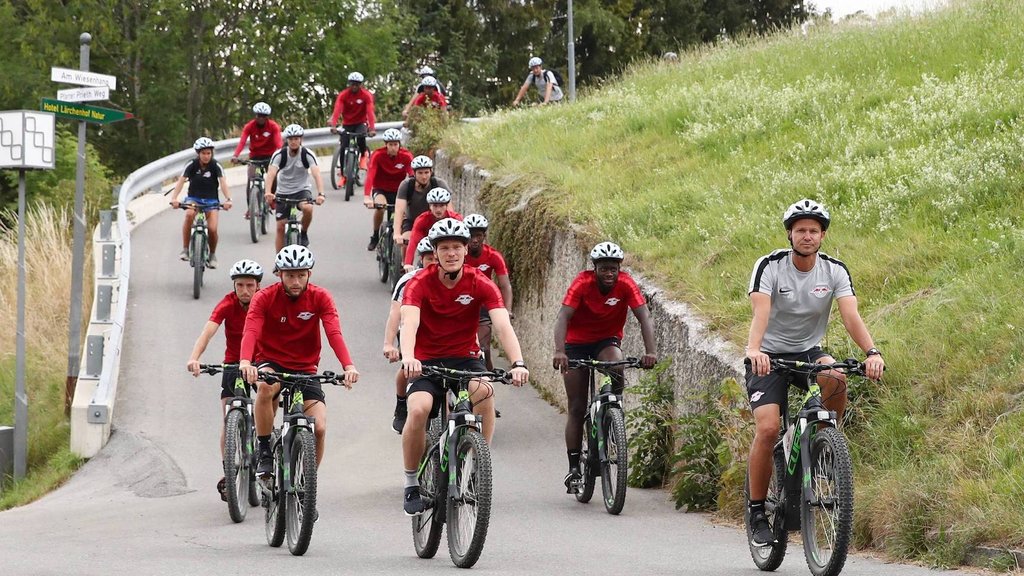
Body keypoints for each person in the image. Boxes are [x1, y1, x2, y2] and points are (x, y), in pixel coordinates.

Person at [744, 199, 884, 547]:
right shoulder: (770, 266)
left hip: (808, 351)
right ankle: (757, 509)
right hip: (770, 355)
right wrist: (754, 350)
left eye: (814, 230)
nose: (807, 236)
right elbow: (760, 311)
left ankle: (825, 449)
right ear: (790, 234)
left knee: (836, 376)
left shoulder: (834, 270)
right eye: (801, 230)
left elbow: (851, 316)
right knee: (767, 428)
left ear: (823, 236)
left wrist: (872, 352)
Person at [399, 218, 530, 515]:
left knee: (484, 392)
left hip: (464, 356)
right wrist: (409, 356)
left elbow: (501, 325)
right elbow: (409, 322)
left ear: (465, 250)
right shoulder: (419, 283)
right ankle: (410, 482)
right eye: (444, 248)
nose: (451, 253)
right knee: (419, 409)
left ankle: (476, 461)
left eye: (457, 247)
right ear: (435, 251)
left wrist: (518, 362)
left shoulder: (480, 282)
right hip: (426, 360)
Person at [239, 245, 360, 477]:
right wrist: (246, 361)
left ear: (309, 275)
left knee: (320, 427)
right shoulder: (264, 297)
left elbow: (334, 333)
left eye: (301, 275)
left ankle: (307, 483)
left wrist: (348, 366)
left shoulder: (321, 297)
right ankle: (264, 450)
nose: (296, 281)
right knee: (265, 388)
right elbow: (251, 330)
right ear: (279, 275)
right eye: (290, 275)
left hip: (305, 369)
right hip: (271, 362)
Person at [552, 241, 657, 492]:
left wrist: (650, 352)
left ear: (620, 268)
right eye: (604, 269)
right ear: (594, 268)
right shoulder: (582, 283)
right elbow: (563, 317)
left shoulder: (626, 284)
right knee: (577, 407)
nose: (609, 273)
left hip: (606, 341)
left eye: (614, 269)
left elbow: (644, 317)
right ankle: (574, 468)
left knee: (616, 364)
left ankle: (611, 413)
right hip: (575, 344)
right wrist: (560, 351)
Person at [185, 259, 264, 500]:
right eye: (239, 285)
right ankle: (229, 471)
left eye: (250, 285)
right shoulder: (228, 303)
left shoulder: (266, 302)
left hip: (261, 362)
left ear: (258, 285)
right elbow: (208, 331)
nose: (245, 291)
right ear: (234, 285)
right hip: (233, 363)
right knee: (229, 415)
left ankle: (266, 447)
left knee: (266, 399)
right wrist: (194, 358)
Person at [383, 237, 437, 434]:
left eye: (435, 258)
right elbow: (395, 313)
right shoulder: (408, 281)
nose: (433, 262)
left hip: (439, 331)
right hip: (411, 327)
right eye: (428, 259)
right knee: (408, 368)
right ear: (421, 260)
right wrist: (389, 344)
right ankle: (401, 405)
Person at [169, 137, 233, 268]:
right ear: (198, 154)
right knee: (188, 215)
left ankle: (212, 254)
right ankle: (186, 249)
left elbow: (223, 183)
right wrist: (174, 198)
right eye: (203, 153)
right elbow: (181, 181)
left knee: (212, 228)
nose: (206, 156)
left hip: (212, 201)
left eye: (208, 153)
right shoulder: (191, 164)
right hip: (194, 199)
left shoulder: (216, 166)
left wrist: (228, 199)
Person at [464, 213, 514, 371]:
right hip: (460, 303)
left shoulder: (493, 256)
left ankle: (487, 378)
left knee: (484, 348)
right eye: (471, 236)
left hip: (483, 304)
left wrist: (507, 310)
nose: (474, 240)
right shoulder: (459, 255)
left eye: (478, 236)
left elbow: (505, 285)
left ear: (484, 236)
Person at [265, 124, 325, 252]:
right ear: (286, 140)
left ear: (301, 139)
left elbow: (316, 173)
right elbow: (271, 174)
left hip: (301, 190)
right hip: (283, 192)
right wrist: (268, 192)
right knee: (280, 227)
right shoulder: (279, 155)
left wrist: (321, 194)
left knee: (308, 208)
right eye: (291, 139)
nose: (293, 141)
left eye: (296, 139)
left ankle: (303, 232)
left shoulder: (307, 154)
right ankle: (279, 261)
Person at [363, 128, 413, 251]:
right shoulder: (378, 155)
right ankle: (375, 236)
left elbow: (412, 176)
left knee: (401, 214)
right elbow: (370, 175)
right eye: (390, 145)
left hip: (399, 191)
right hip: (381, 189)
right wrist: (366, 197)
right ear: (386, 145)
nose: (393, 148)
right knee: (380, 207)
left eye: (396, 144)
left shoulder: (406, 156)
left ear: (399, 144)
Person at [329, 71, 377, 184]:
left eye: (357, 84)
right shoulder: (344, 95)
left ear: (361, 85)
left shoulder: (366, 95)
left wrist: (372, 128)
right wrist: (333, 125)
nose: (354, 86)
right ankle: (343, 174)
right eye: (352, 84)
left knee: (361, 138)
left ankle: (363, 157)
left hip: (360, 123)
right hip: (347, 124)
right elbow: (337, 110)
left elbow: (370, 112)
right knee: (343, 146)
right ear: (349, 84)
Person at [393, 155, 450, 248]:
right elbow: (399, 211)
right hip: (411, 221)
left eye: (426, 172)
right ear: (414, 173)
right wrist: (397, 233)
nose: (424, 176)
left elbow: (449, 210)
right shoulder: (406, 185)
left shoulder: (439, 184)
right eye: (420, 173)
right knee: (406, 241)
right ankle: (404, 262)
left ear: (431, 172)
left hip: (435, 220)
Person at [403, 187, 462, 270]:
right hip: (429, 254)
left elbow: (464, 243)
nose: (438, 210)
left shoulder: (456, 219)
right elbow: (413, 241)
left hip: (448, 254)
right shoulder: (421, 220)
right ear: (430, 206)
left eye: (441, 206)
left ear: (446, 206)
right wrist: (408, 263)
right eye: (435, 206)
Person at [230, 101, 282, 183]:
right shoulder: (249, 126)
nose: (261, 118)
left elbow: (278, 142)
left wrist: (282, 153)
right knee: (252, 176)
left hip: (270, 156)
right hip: (255, 156)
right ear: (255, 115)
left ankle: (272, 193)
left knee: (273, 178)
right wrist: (235, 155)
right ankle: (254, 192)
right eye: (259, 115)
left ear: (267, 117)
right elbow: (242, 142)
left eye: (263, 116)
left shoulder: (273, 126)